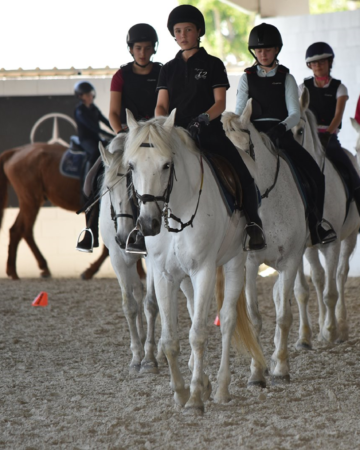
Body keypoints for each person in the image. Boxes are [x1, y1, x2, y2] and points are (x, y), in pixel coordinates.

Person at [154, 4, 266, 251]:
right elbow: (161, 106)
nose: (182, 35)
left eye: (188, 30)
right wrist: (164, 124)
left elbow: (220, 103)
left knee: (243, 173)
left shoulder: (213, 64)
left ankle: (253, 225)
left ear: (199, 32)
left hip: (208, 132)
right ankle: (141, 230)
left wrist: (203, 118)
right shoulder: (167, 69)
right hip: (175, 135)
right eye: (178, 30)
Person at [235, 23, 337, 245]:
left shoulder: (286, 78)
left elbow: (294, 113)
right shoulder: (246, 79)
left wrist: (280, 128)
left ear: (276, 51)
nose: (263, 54)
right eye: (259, 50)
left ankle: (316, 225)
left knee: (316, 175)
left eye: (268, 50)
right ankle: (239, 227)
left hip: (281, 136)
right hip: (253, 138)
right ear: (254, 52)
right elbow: (239, 112)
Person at [76, 24, 162, 253]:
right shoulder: (120, 76)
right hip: (127, 134)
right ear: (131, 50)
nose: (142, 53)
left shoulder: (163, 73)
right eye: (137, 48)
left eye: (146, 48)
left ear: (154, 49)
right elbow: (114, 112)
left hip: (155, 135)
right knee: (92, 178)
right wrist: (122, 133)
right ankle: (90, 230)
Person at [300, 42, 360, 215]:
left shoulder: (339, 88)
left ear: (329, 63)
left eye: (322, 62)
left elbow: (338, 115)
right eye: (314, 63)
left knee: (350, 169)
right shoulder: (302, 87)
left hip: (329, 139)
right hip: (309, 137)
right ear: (309, 65)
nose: (318, 66)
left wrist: (327, 134)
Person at [74, 81, 114, 252]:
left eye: (91, 94)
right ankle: (88, 181)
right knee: (94, 154)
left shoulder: (93, 108)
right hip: (86, 141)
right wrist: (107, 135)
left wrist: (116, 130)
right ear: (81, 97)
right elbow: (92, 127)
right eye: (86, 95)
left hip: (97, 139)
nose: (89, 97)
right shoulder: (80, 110)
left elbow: (104, 120)